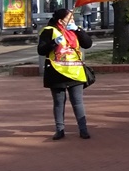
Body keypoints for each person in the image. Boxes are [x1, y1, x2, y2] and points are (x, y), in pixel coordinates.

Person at [36, 8, 93, 140]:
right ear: (61, 21)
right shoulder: (49, 31)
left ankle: (83, 130)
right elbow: (41, 50)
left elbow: (87, 44)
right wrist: (53, 43)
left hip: (75, 71)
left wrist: (78, 30)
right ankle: (60, 130)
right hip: (57, 71)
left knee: (77, 101)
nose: (72, 21)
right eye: (69, 19)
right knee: (58, 102)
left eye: (73, 19)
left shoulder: (75, 30)